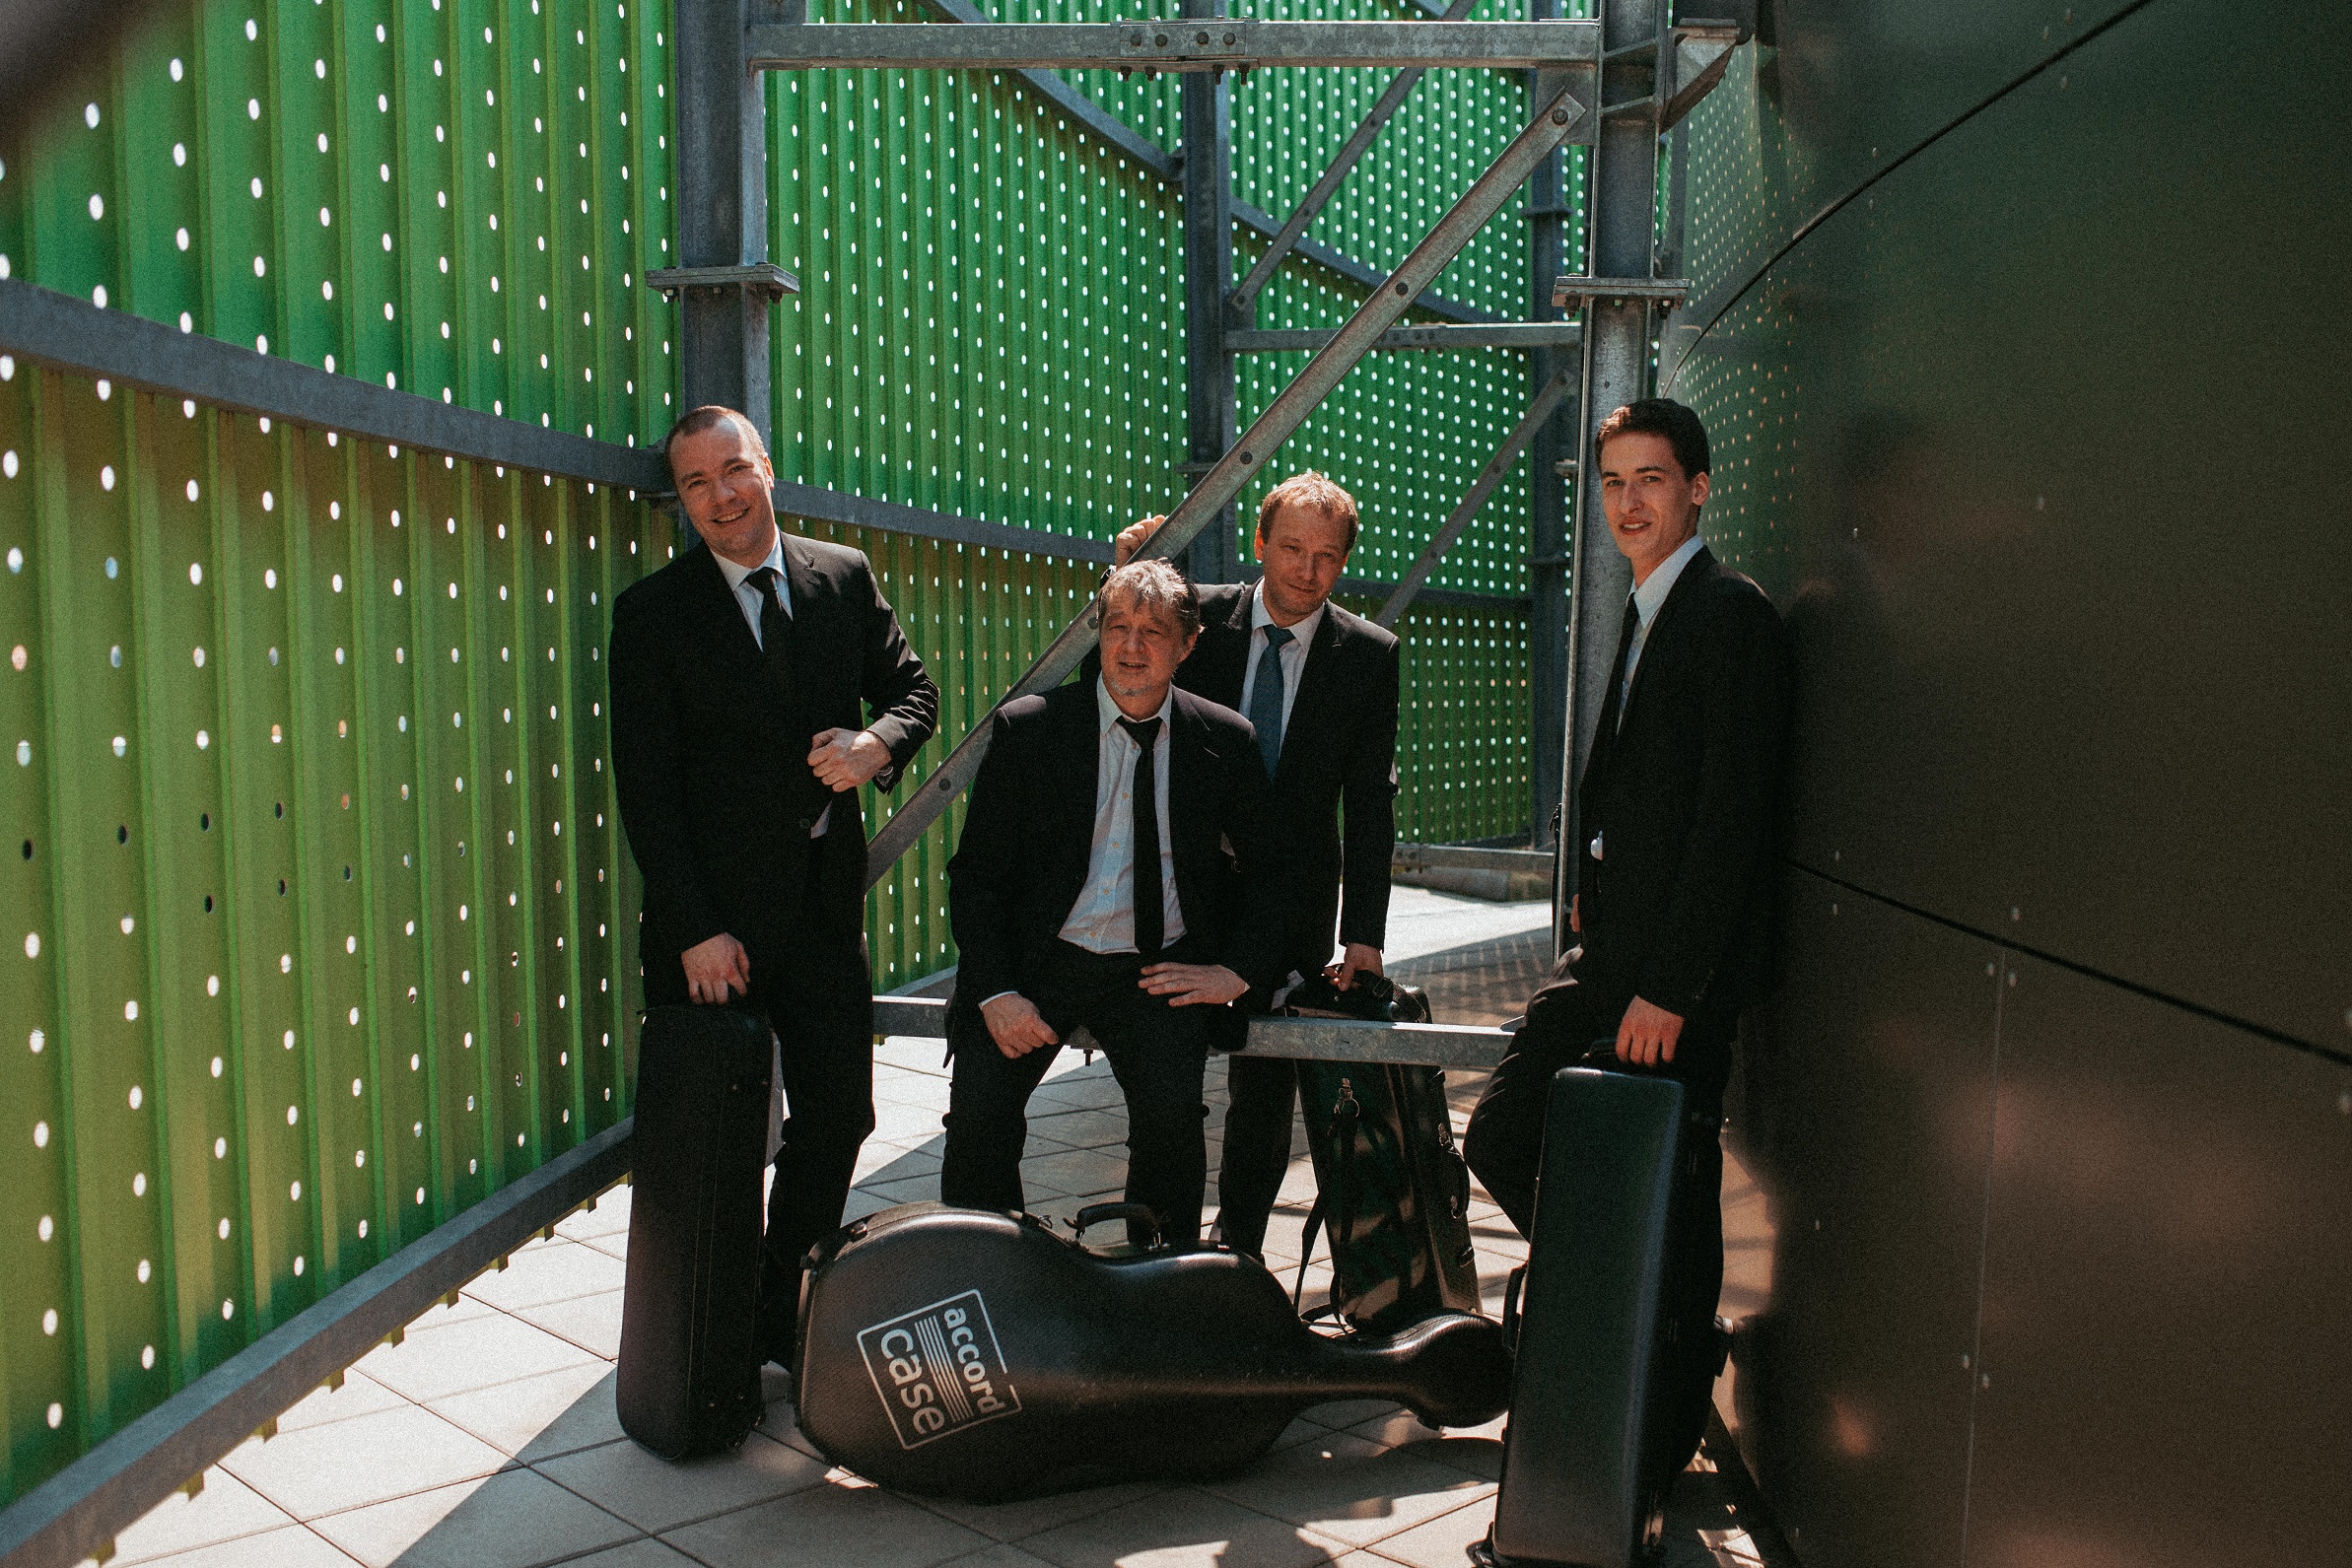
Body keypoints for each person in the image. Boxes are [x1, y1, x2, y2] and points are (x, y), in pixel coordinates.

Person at [1463, 395, 1791, 1425]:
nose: (1628, 502)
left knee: (1674, 1196)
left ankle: (1665, 1400)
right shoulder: (1651, 605)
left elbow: (1729, 824)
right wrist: (1589, 883)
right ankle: (1631, 1316)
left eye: (1651, 479)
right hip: (1611, 956)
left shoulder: (1729, 614)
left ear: (1698, 489)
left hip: (1666, 985)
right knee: (1503, 1135)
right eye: (1612, 482)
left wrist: (1672, 988)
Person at [608, 405, 938, 1361]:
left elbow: (914, 692)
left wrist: (876, 744)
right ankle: (706, 1344)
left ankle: (778, 1315)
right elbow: (647, 790)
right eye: (696, 483)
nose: (721, 496)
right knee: (714, 1141)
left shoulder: (841, 575)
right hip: (713, 934)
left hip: (822, 915)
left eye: (733, 470)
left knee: (839, 1117)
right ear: (681, 501)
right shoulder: (652, 613)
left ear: (767, 469)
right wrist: (692, 928)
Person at [939, 560, 1296, 1247]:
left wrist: (1235, 971)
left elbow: (1274, 872)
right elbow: (977, 876)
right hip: (1039, 959)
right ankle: (993, 1271)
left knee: (1171, 1127)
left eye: (1154, 631)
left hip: (1156, 965)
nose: (1132, 647)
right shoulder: (1031, 729)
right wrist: (996, 991)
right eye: (1118, 628)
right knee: (980, 1118)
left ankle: (1153, 1282)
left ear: (1187, 645)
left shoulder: (1224, 739)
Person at [1101, 473, 1400, 1259]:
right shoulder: (1198, 619)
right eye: (1292, 548)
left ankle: (1238, 1248)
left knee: (1265, 1086)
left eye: (1326, 556)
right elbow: (1124, 661)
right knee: (1164, 1073)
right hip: (1189, 887)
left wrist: (1363, 935)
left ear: (1344, 562)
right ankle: (1157, 1246)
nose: (1306, 570)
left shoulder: (1369, 655)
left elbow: (1370, 799)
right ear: (1261, 542)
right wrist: (1130, 567)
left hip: (1295, 897)